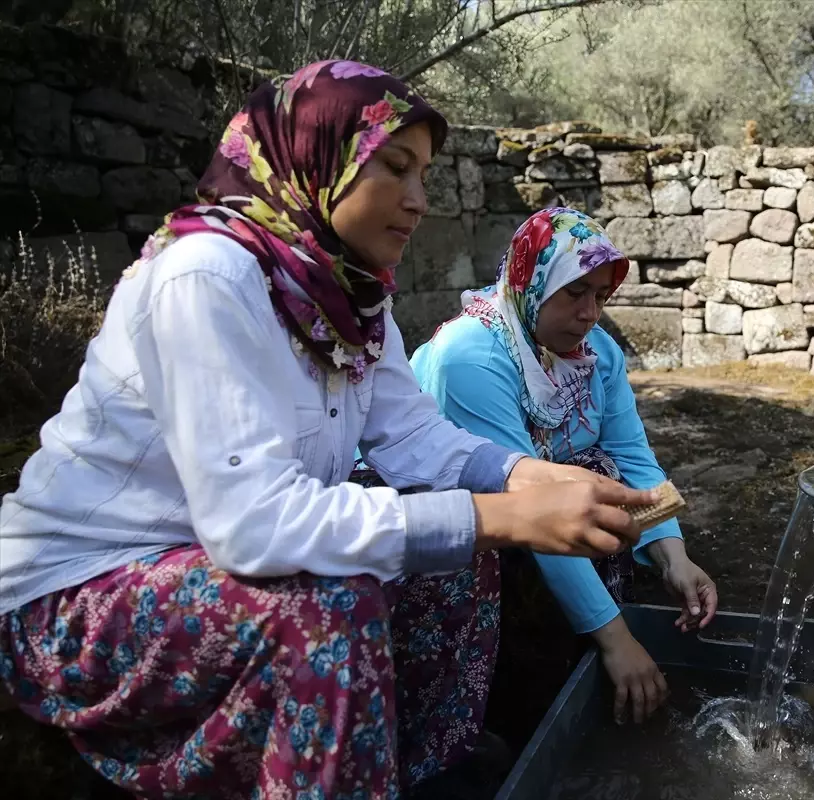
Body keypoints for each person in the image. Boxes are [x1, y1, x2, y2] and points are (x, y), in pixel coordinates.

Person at [0, 60, 659, 799]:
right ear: (317, 157)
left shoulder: (349, 301)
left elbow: (419, 443)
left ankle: (424, 765)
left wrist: (528, 478)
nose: (418, 202)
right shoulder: (207, 276)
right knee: (330, 606)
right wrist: (500, 514)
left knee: (459, 554)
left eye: (425, 177)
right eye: (395, 168)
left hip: (207, 560)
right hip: (84, 590)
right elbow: (252, 525)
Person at [411, 207, 719, 726]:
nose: (591, 313)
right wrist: (618, 639)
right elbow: (528, 510)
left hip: (536, 508)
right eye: (575, 293)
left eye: (601, 295)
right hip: (461, 519)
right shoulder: (472, 358)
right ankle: (506, 701)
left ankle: (580, 649)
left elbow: (634, 456)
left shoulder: (596, 352)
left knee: (604, 473)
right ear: (530, 284)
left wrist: (674, 557)